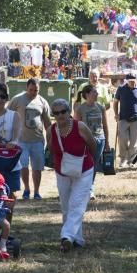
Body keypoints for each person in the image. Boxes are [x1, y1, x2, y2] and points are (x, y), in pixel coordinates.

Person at [48, 98, 96, 251]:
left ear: (69, 112)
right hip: (62, 172)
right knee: (66, 206)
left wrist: (85, 161)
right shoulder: (51, 130)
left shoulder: (79, 126)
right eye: (56, 113)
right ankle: (77, 239)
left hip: (84, 170)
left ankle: (66, 236)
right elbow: (50, 149)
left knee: (77, 204)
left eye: (63, 111)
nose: (60, 115)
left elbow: (93, 145)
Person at [7, 78, 51, 199]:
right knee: (23, 166)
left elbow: (48, 123)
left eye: (35, 90)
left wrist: (51, 140)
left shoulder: (42, 102)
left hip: (37, 140)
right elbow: (7, 115)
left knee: (37, 168)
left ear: (39, 89)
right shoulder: (17, 99)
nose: (33, 93)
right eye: (31, 90)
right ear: (27, 88)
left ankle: (37, 192)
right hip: (21, 140)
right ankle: (26, 189)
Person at [75, 84, 109, 199]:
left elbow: (105, 125)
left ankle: (90, 188)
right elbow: (76, 127)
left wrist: (107, 142)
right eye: (94, 92)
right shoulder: (80, 109)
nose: (97, 94)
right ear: (87, 94)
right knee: (86, 165)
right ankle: (84, 188)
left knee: (94, 165)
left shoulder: (101, 107)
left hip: (100, 139)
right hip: (86, 140)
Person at [113, 73, 137, 170]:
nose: (132, 82)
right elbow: (115, 102)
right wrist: (116, 114)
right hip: (123, 119)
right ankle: (123, 159)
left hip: (135, 119)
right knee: (122, 139)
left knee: (134, 141)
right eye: (130, 81)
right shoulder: (121, 89)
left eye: (133, 80)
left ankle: (132, 160)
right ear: (127, 81)